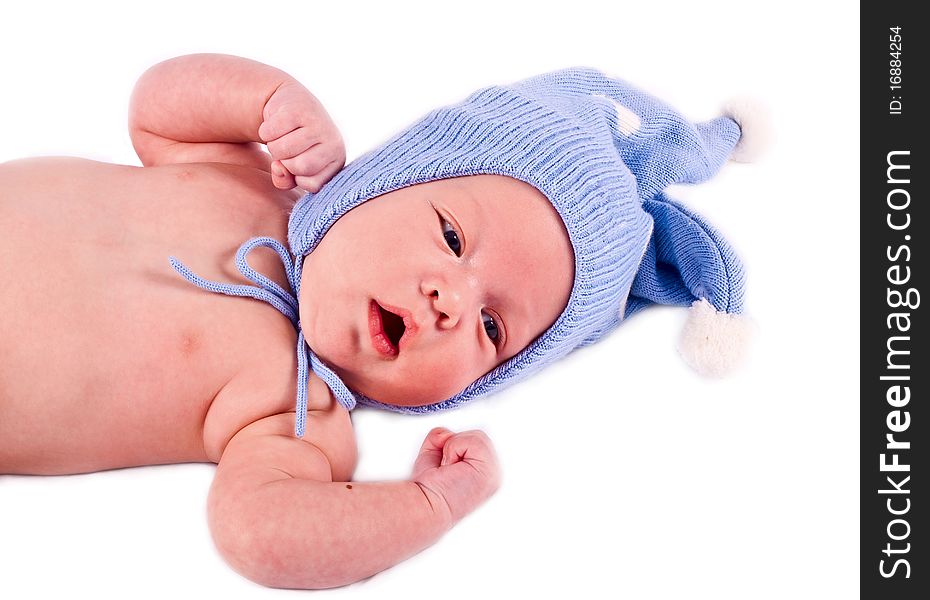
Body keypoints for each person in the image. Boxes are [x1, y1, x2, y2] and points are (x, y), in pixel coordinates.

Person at [0, 53, 761, 588]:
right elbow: (156, 108)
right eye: (453, 238)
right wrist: (271, 101)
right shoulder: (252, 178)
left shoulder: (299, 418)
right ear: (385, 181)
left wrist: (432, 504)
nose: (453, 300)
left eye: (493, 330)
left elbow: (257, 534)